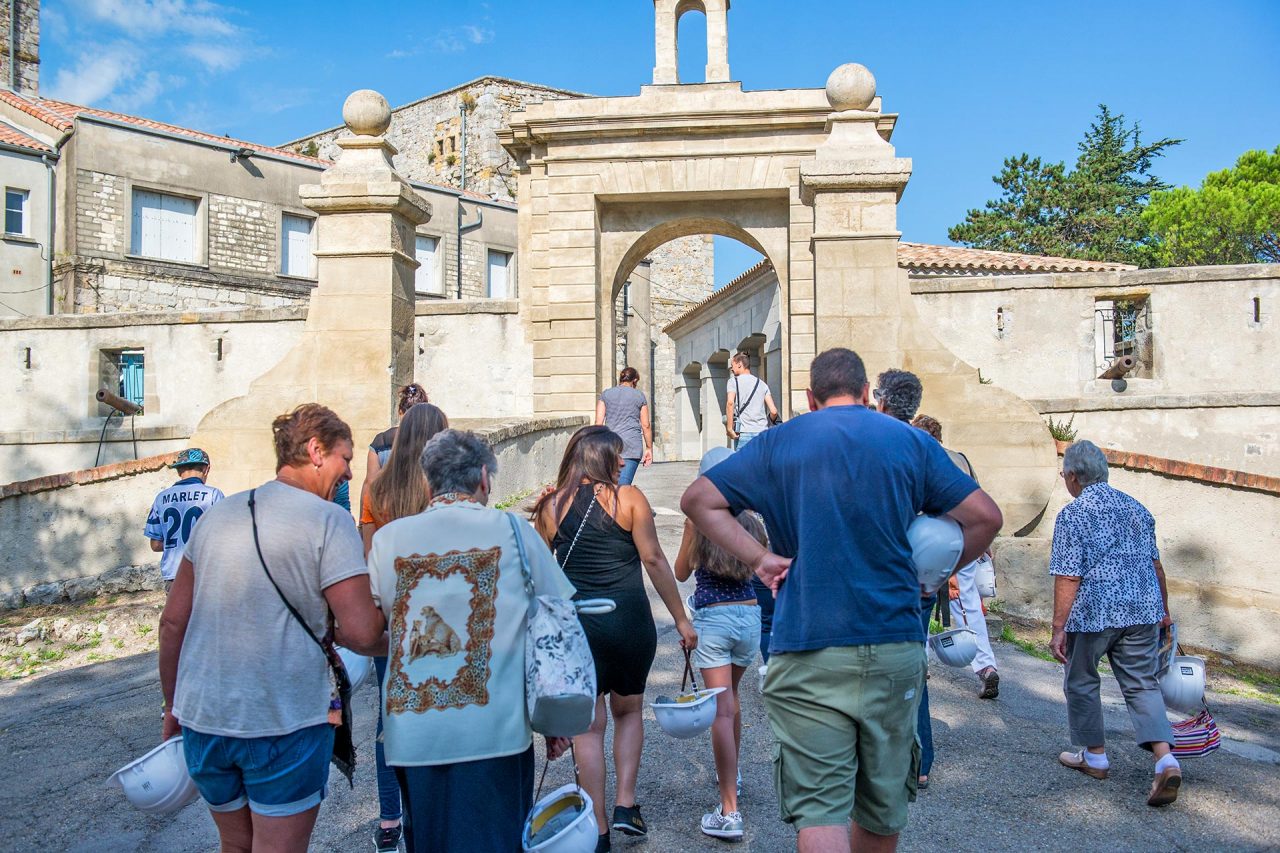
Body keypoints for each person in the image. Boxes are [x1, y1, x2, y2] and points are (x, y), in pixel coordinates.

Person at [682, 348, 1002, 852]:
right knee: (880, 805)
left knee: (820, 809)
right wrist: (935, 578)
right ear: (866, 394)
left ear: (811, 398)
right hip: (894, 640)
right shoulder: (910, 442)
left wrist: (761, 559)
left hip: (807, 642)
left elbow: (698, 500)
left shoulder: (778, 443)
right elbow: (985, 517)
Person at [158, 404, 387, 853]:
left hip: (205, 718)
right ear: (316, 450)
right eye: (345, 458)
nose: (349, 471)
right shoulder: (329, 520)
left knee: (236, 846)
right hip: (283, 718)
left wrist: (172, 704)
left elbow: (172, 622)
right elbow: (361, 632)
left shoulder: (217, 516)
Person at [366, 429, 573, 852]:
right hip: (495, 730)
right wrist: (555, 718)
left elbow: (371, 630)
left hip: (414, 731)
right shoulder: (513, 531)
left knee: (429, 840)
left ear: (427, 482)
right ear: (484, 477)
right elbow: (556, 623)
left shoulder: (389, 540)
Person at [533, 425, 697, 853]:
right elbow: (654, 559)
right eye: (618, 456)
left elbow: (538, 575)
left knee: (588, 727)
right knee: (628, 712)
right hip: (627, 621)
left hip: (578, 626)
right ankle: (626, 803)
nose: (623, 462)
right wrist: (681, 618)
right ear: (604, 459)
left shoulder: (551, 506)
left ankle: (599, 827)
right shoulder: (629, 499)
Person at [1049, 440, 1182, 807]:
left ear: (1074, 477)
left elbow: (1068, 576)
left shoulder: (1074, 514)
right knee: (1142, 684)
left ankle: (1095, 756)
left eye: (1064, 475)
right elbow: (1156, 566)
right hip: (1142, 611)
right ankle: (1165, 759)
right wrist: (1164, 613)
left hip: (1094, 613)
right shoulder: (1138, 509)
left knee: (1081, 679)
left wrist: (1058, 627)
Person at [358, 402, 449, 853]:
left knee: (389, 718)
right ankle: (437, 813)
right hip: (445, 615)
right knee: (444, 707)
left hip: (395, 616)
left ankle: (392, 819)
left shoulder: (377, 492)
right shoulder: (445, 488)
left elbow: (369, 558)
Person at [674, 448, 765, 842]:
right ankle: (734, 774)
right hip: (750, 617)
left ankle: (730, 812)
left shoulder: (700, 518)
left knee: (720, 712)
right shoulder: (752, 519)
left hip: (715, 618)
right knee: (732, 701)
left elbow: (680, 572)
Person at [912, 414, 1001, 700]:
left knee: (920, 600)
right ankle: (986, 666)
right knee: (969, 605)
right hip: (967, 540)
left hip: (931, 541)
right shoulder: (961, 459)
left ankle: (921, 660)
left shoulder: (924, 460)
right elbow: (980, 499)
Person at [144, 448, 223, 593]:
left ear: (179, 471)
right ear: (206, 469)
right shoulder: (213, 495)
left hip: (174, 574)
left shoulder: (161, 498)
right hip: (204, 572)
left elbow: (155, 545)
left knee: (179, 616)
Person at [361, 382, 430, 515]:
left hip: (386, 516)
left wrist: (362, 525)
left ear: (400, 412)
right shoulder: (435, 442)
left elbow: (370, 485)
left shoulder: (381, 442)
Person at [595, 367, 652, 486]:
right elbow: (646, 425)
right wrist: (649, 448)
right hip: (632, 446)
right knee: (623, 487)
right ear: (635, 380)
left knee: (609, 487)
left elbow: (598, 423)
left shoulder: (606, 394)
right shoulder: (639, 396)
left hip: (610, 445)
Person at [725, 351, 779, 450]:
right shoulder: (762, 384)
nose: (731, 369)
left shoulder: (733, 381)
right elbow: (774, 411)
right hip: (762, 433)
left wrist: (729, 428)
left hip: (744, 433)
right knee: (760, 465)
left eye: (732, 365)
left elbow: (730, 403)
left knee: (743, 465)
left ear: (740, 364)